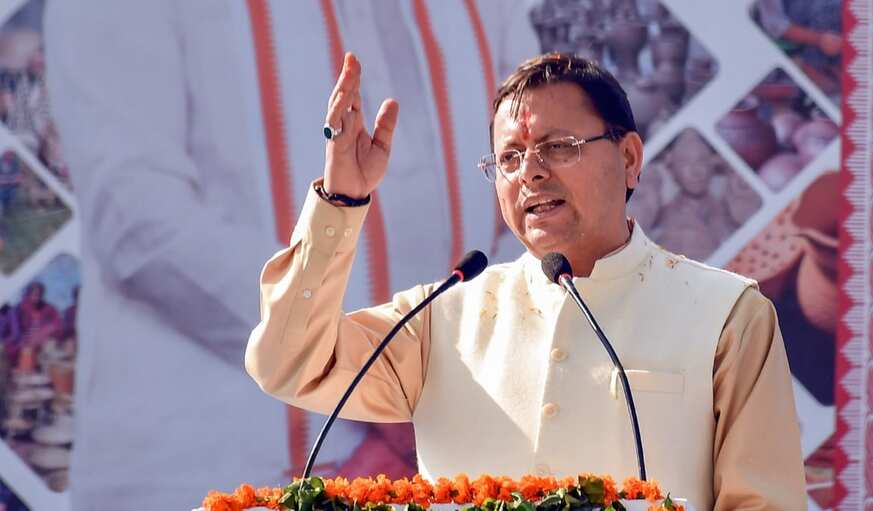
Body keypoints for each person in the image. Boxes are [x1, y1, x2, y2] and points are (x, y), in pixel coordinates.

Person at [246, 53, 809, 511]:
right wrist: (340, 202)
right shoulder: (442, 316)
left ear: (630, 158)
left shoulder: (725, 314)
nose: (531, 172)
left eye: (559, 147)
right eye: (509, 158)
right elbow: (288, 364)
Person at [44, 1, 537, 509]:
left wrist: (441, 372)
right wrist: (384, 370)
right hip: (213, 461)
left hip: (455, 444)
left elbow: (534, 187)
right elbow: (138, 222)